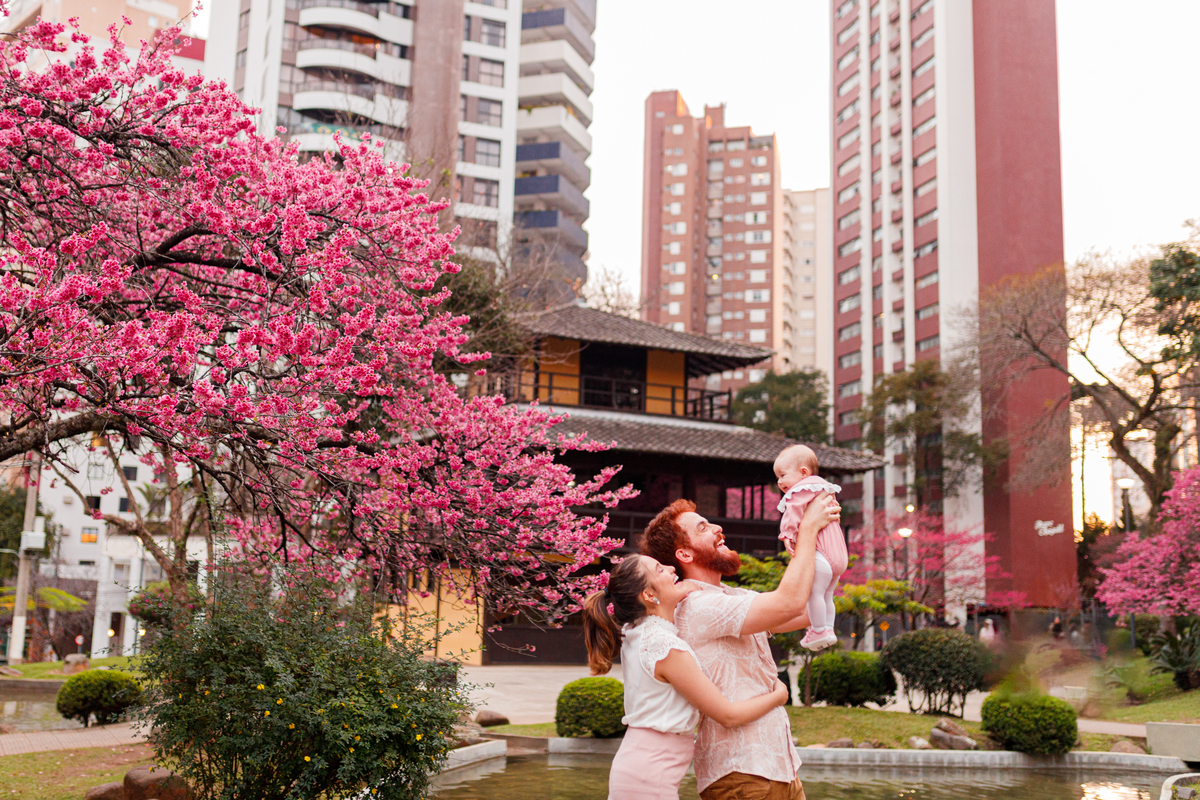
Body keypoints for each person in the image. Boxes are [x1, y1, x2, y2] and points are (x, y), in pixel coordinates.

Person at [641, 492, 840, 800]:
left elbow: (805, 612)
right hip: (742, 776)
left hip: (779, 769)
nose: (717, 528)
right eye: (703, 528)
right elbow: (788, 603)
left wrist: (826, 550)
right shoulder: (698, 606)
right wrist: (809, 532)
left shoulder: (729, 596)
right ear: (684, 555)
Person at [582, 555, 790, 800]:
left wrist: (681, 591)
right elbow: (728, 715)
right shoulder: (665, 646)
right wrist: (779, 695)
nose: (672, 568)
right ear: (648, 595)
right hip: (650, 776)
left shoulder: (637, 630)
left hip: (641, 767)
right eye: (660, 569)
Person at [774, 444, 848, 651]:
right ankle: (828, 628)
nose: (779, 482)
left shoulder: (800, 489)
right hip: (839, 554)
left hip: (821, 553)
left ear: (803, 472)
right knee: (827, 595)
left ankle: (817, 630)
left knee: (814, 593)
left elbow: (793, 512)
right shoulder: (825, 489)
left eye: (782, 475)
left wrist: (787, 533)